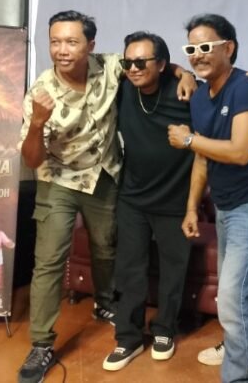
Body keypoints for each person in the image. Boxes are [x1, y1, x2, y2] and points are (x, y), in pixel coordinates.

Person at [17, 10, 195, 383]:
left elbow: (152, 63)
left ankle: (104, 303)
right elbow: (31, 159)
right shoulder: (41, 92)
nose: (62, 50)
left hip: (104, 176)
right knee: (49, 260)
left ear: (91, 45)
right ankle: (41, 344)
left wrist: (186, 74)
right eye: (55, 42)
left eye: (71, 42)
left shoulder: (112, 66)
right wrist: (36, 122)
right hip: (59, 180)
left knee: (108, 250)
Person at [169, 13, 248, 383]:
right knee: (232, 295)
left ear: (228, 47)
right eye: (191, 49)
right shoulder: (200, 97)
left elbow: (241, 151)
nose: (197, 55)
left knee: (233, 297)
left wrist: (189, 139)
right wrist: (191, 207)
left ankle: (238, 376)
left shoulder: (247, 87)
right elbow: (203, 158)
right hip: (224, 205)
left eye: (206, 46)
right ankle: (235, 351)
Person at [102, 32, 195, 370]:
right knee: (130, 269)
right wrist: (183, 70)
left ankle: (165, 330)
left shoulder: (185, 92)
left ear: (162, 64)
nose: (133, 68)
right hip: (133, 197)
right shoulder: (124, 88)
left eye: (141, 62)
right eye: (128, 62)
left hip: (175, 199)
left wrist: (186, 74)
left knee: (173, 269)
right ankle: (127, 338)